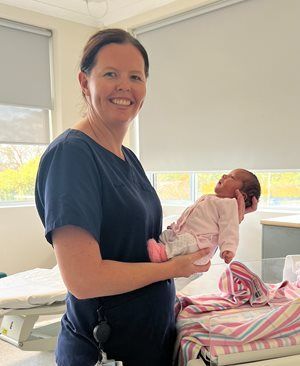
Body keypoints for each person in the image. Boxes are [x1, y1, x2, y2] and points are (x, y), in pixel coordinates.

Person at [35, 29, 257, 366]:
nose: (125, 86)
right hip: (104, 350)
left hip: (150, 339)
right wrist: (172, 268)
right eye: (111, 74)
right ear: (84, 82)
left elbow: (140, 243)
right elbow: (84, 279)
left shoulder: (127, 158)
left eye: (135, 77)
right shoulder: (72, 156)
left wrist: (219, 221)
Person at [148, 169, 261, 265]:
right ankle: (161, 247)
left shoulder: (229, 204)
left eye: (232, 177)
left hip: (200, 244)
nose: (224, 175)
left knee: (187, 242)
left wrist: (228, 249)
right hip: (186, 235)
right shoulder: (212, 198)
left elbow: (230, 229)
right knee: (169, 236)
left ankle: (162, 254)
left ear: (241, 194)